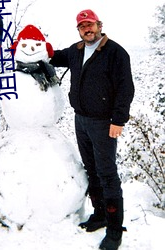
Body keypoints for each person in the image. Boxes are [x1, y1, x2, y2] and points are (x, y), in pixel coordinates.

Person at [50, 9, 134, 250]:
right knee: (92, 169)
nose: (87, 29)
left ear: (99, 24)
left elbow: (125, 88)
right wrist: (28, 46)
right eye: (82, 26)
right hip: (81, 120)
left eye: (90, 24)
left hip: (104, 123)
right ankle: (100, 214)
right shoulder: (76, 51)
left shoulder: (115, 52)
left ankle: (115, 231)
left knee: (107, 173)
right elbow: (54, 56)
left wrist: (118, 120)